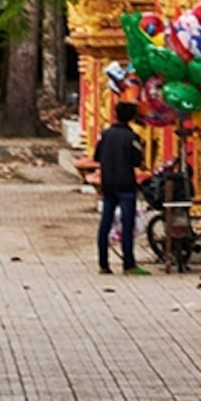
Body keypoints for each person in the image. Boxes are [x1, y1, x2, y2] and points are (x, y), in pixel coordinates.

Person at [88, 98, 148, 275]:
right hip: (126, 184)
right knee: (127, 223)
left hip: (107, 183)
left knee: (105, 223)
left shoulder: (105, 135)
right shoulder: (132, 137)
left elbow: (97, 156)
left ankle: (103, 264)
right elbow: (137, 161)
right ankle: (128, 263)